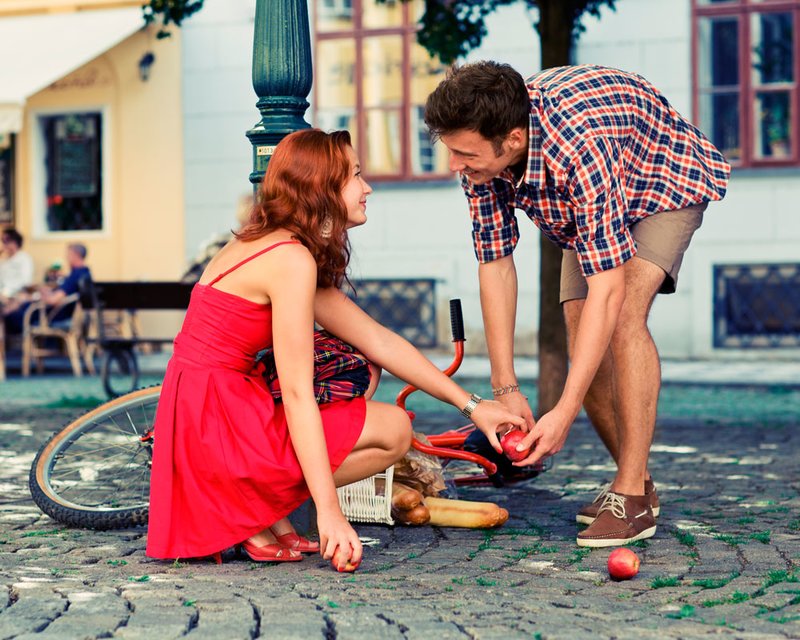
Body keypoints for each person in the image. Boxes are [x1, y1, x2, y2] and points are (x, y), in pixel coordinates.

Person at [145, 129, 524, 568]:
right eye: (356, 177)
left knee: (383, 410)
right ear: (322, 189)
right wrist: (331, 515)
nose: (368, 189)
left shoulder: (277, 245)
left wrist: (473, 406)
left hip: (208, 407)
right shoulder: (290, 260)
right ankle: (247, 507)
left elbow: (378, 340)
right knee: (394, 431)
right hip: (219, 417)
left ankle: (257, 512)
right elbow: (299, 392)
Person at [424, 62, 730, 547]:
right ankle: (639, 487)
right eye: (450, 151)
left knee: (622, 316)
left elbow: (609, 293)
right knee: (579, 330)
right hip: (588, 204)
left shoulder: (577, 146)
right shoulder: (479, 163)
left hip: (660, 182)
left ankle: (629, 492)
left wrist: (563, 411)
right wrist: (506, 388)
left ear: (514, 139)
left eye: (463, 153)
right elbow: (496, 264)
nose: (454, 165)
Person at [3, 243, 91, 334]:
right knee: (16, 305)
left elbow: (53, 300)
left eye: (68, 255)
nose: (66, 258)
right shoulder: (85, 273)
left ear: (75, 255)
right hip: (60, 313)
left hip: (53, 316)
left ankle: (13, 345)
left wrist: (40, 293)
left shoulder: (75, 276)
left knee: (10, 314)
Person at [0, 228, 34, 303]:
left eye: (7, 241)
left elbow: (26, 281)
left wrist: (6, 293)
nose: (4, 244)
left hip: (15, 296)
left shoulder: (24, 258)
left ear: (15, 242)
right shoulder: (3, 260)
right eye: (3, 241)